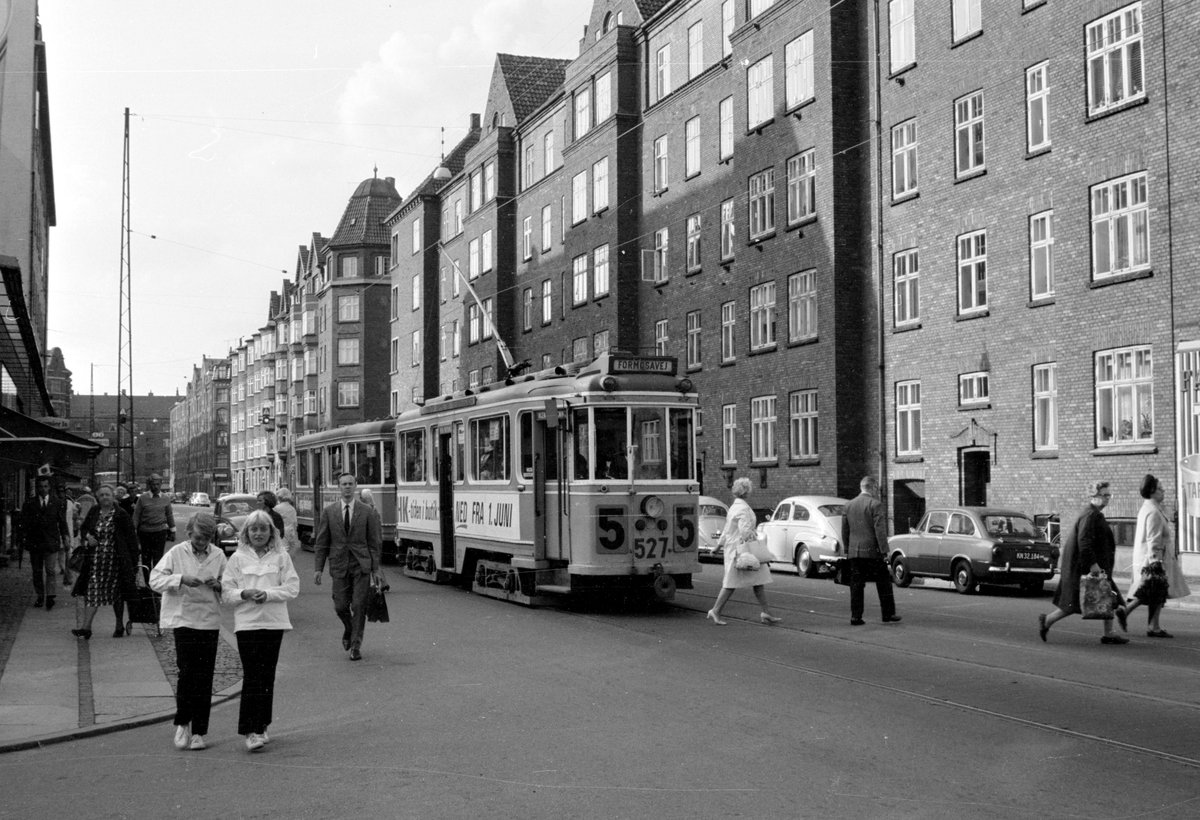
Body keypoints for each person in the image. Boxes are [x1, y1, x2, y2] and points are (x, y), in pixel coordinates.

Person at [221, 509, 299, 752]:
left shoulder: (281, 557)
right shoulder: (237, 559)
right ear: (246, 532)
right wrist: (243, 593)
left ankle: (263, 724)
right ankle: (250, 730)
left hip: (274, 623)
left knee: (267, 676)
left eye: (263, 529)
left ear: (270, 532)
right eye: (253, 529)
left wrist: (268, 594)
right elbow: (226, 593)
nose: (258, 533)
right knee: (253, 675)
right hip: (247, 624)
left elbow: (292, 588)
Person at [149, 512, 226, 750]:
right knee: (187, 673)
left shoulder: (219, 555)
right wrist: (180, 579)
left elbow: (231, 586)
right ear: (189, 533)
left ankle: (199, 731)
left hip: (208, 620)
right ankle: (183, 723)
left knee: (205, 676)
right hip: (183, 618)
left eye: (206, 538)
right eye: (198, 537)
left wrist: (218, 585)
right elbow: (154, 580)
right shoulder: (176, 553)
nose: (202, 543)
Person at [1039, 480, 1129, 644]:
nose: (1107, 498)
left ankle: (1109, 633)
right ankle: (1047, 620)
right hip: (1083, 568)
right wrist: (1093, 565)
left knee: (1107, 596)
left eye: (1109, 495)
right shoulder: (1090, 515)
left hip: (1092, 566)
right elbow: (1084, 542)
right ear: (1094, 496)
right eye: (1104, 495)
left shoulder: (1094, 513)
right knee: (1073, 604)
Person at [313, 472, 383, 660]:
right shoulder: (329, 512)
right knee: (340, 606)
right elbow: (322, 542)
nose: (347, 487)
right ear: (339, 487)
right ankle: (349, 628)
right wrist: (318, 568)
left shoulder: (366, 511)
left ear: (355, 486)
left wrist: (376, 569)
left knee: (359, 605)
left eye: (350, 484)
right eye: (344, 484)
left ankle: (355, 646)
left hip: (361, 565)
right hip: (339, 565)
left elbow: (374, 542)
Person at [705, 477, 781, 626]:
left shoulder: (734, 507)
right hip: (741, 551)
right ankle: (715, 610)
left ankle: (766, 612)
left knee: (758, 580)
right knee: (731, 583)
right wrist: (756, 542)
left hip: (734, 548)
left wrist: (718, 546)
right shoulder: (744, 509)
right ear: (746, 491)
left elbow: (727, 530)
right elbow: (745, 531)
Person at [1123, 474, 1191, 638]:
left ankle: (1151, 625)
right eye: (1160, 489)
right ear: (1152, 491)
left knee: (1154, 592)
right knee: (1154, 590)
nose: (1164, 491)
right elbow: (1153, 539)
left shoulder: (1149, 508)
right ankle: (1140, 619)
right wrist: (1156, 562)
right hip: (1156, 559)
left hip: (1151, 558)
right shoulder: (1153, 512)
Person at [71, 484, 139, 638]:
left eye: (107, 494)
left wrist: (133, 564)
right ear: (97, 497)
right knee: (92, 591)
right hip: (96, 560)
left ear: (113, 496)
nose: (104, 497)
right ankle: (86, 628)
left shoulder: (121, 514)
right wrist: (88, 537)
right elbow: (84, 528)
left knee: (117, 594)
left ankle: (119, 624)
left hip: (116, 561)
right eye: (101, 495)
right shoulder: (94, 511)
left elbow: (131, 539)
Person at [841, 475, 900, 625]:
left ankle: (856, 617)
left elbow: (845, 531)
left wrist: (847, 549)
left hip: (855, 552)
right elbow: (880, 531)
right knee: (884, 582)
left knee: (856, 585)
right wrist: (885, 551)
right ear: (873, 487)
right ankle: (888, 614)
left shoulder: (848, 505)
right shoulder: (875, 504)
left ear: (861, 487)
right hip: (873, 552)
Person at [19, 475, 70, 610]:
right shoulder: (29, 503)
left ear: (49, 487)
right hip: (35, 542)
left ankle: (50, 596)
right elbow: (24, 523)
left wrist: (66, 537)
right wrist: (24, 538)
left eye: (45, 486)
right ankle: (40, 596)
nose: (43, 489)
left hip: (51, 542)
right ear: (37, 488)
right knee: (37, 571)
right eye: (40, 487)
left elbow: (62, 522)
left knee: (50, 570)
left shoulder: (57, 502)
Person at [133, 473, 175, 573]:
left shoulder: (165, 498)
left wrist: (173, 530)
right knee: (146, 559)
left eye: (157, 484)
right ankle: (147, 580)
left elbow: (169, 515)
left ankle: (156, 580)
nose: (155, 487)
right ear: (149, 485)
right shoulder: (142, 498)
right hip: (145, 533)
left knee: (158, 559)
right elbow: (136, 515)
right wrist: (133, 531)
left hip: (160, 532)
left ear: (161, 484)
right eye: (153, 484)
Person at [274, 488, 301, 556]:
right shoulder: (292, 508)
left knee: (282, 552)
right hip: (291, 531)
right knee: (291, 552)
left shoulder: (276, 508)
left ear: (279, 497)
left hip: (281, 532)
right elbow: (295, 523)